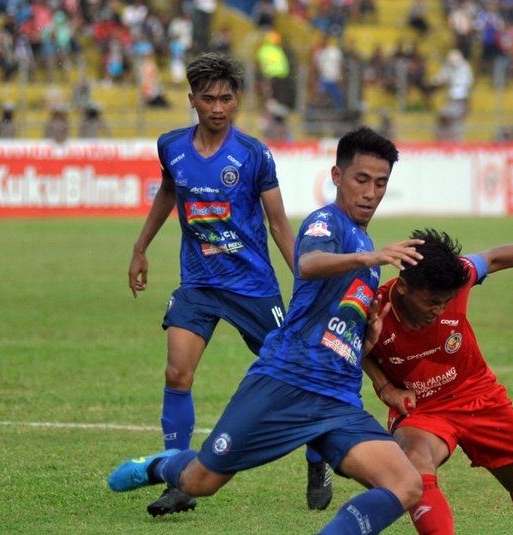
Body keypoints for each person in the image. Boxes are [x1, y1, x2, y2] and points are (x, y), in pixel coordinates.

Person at [110, 126, 426, 535]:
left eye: (380, 184)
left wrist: (367, 337)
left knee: (407, 485)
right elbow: (308, 264)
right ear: (337, 176)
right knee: (198, 482)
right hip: (283, 383)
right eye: (361, 180)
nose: (370, 192)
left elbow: (341, 329)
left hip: (338, 401)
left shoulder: (368, 256)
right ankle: (159, 465)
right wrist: (371, 255)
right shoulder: (325, 223)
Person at [125, 52, 318, 517]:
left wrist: (307, 280)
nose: (217, 107)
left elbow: (278, 225)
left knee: (298, 373)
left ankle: (317, 456)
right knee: (177, 373)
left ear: (237, 101)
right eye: (208, 98)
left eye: (226, 98)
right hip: (199, 283)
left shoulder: (253, 154)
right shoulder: (170, 145)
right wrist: (140, 246)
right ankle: (178, 478)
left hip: (253, 286)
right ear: (192, 99)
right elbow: (170, 191)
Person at [363, 227, 513, 535]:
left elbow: (493, 258)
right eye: (431, 302)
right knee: (414, 466)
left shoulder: (457, 277)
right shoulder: (373, 307)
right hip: (422, 409)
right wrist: (386, 387)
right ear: (402, 287)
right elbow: (351, 346)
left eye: (445, 302)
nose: (439, 310)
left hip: (477, 393)